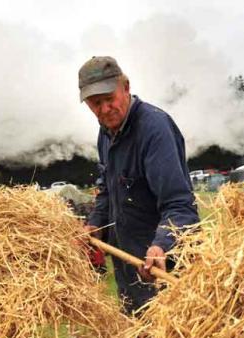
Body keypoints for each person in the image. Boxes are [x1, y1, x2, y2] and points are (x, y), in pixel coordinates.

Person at [80, 56, 199, 315]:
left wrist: (162, 246)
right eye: (95, 104)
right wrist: (96, 223)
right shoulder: (106, 132)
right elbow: (108, 188)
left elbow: (180, 206)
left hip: (164, 274)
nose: (104, 109)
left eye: (108, 98)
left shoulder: (154, 129)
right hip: (129, 273)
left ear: (126, 87)